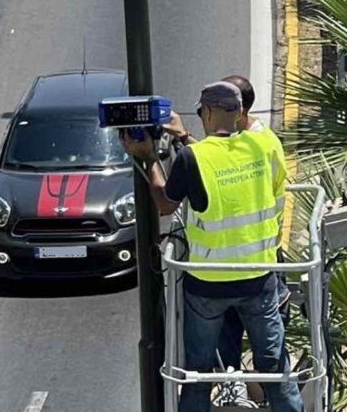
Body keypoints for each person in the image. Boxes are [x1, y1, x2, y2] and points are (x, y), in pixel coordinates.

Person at [120, 81, 304, 412]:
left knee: (198, 374)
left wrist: (148, 159)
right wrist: (182, 136)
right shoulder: (259, 147)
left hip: (208, 286)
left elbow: (165, 204)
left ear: (206, 113)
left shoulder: (193, 158)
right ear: (239, 114)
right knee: (275, 370)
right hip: (258, 278)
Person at [165, 75, 291, 372]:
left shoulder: (257, 144)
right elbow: (221, 160)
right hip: (256, 267)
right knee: (269, 363)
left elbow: (210, 167)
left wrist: (155, 156)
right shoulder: (258, 143)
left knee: (205, 365)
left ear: (239, 112)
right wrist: (185, 139)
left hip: (229, 272)